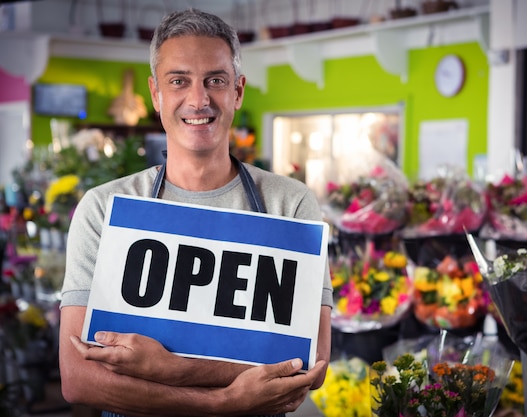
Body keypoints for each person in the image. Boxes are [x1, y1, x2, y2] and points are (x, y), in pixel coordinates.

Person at [58, 8, 332, 417]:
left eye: (215, 81)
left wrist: (166, 368)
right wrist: (228, 400)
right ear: (156, 94)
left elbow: (306, 369)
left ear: (237, 91)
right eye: (179, 81)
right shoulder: (104, 209)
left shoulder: (290, 205)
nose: (199, 99)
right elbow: (78, 378)